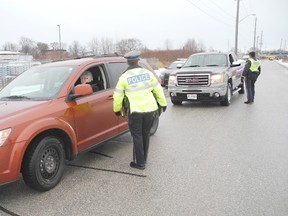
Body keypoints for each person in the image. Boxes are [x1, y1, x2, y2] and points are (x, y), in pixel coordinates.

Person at [113, 50, 167, 170]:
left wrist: (117, 110)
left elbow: (117, 96)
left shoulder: (124, 77)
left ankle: (139, 163)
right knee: (145, 134)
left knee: (137, 136)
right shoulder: (147, 73)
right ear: (138, 61)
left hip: (135, 112)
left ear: (127, 62)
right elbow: (158, 90)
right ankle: (144, 159)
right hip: (150, 111)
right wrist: (163, 104)